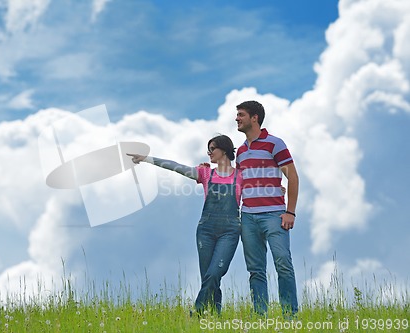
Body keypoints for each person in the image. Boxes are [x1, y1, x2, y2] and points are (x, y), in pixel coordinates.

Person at [127, 135, 242, 316]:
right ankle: (216, 316)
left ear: (224, 150)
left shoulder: (240, 176)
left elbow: (258, 190)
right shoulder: (205, 173)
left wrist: (277, 190)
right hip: (206, 230)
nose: (209, 153)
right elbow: (175, 166)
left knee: (214, 273)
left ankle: (196, 311)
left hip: (230, 231)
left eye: (212, 148)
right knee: (209, 278)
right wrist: (147, 159)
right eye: (208, 149)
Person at [234, 100, 299, 317]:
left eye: (241, 115)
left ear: (254, 118)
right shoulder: (241, 151)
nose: (237, 118)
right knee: (255, 271)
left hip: (275, 215)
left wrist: (290, 212)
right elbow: (239, 183)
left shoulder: (275, 144)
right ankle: (260, 317)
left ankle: (290, 316)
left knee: (283, 264)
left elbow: (293, 177)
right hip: (248, 217)